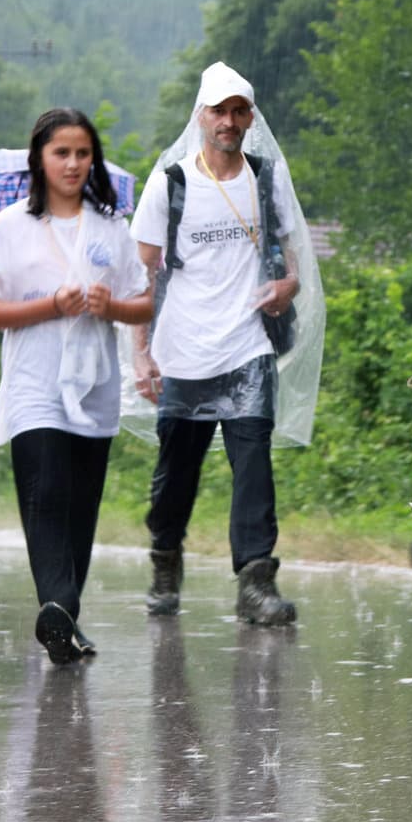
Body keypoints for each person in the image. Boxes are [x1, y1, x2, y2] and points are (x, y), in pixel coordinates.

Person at [128, 61, 310, 626]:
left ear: (250, 117)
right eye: (218, 111)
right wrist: (141, 352)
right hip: (183, 352)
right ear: (201, 116)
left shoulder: (267, 176)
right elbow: (145, 275)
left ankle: (256, 581)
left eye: (238, 111)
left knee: (254, 466)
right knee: (173, 479)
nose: (228, 121)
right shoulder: (172, 181)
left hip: (247, 348)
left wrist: (287, 287)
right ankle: (165, 560)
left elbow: (291, 258)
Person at [0, 108, 152, 664]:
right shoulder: (10, 226)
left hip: (94, 388)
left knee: (80, 506)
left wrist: (111, 305)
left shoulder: (111, 227)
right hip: (33, 386)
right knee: (45, 495)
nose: (73, 164)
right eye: (61, 153)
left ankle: (63, 620)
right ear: (39, 159)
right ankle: (57, 604)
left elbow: (144, 302)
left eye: (82, 153)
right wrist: (49, 305)